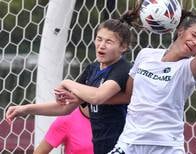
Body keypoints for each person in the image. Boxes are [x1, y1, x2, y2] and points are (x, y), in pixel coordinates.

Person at [106, 0, 196, 153]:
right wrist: (87, 99)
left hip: (166, 146)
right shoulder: (145, 55)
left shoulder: (188, 69)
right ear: (181, 31)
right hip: (130, 142)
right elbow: (130, 95)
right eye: (194, 35)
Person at [6, 13, 135, 154]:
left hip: (123, 147)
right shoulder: (92, 69)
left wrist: (67, 82)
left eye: (108, 42)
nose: (101, 45)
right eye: (99, 39)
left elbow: (98, 97)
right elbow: (65, 108)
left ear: (123, 47)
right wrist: (25, 109)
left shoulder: (124, 69)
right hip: (100, 147)